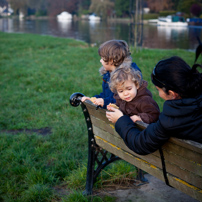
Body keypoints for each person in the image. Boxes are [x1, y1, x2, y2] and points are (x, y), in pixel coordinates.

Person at [106, 56, 202, 155]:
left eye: (158, 90)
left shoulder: (171, 121)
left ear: (172, 94)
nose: (158, 94)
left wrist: (120, 120)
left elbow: (141, 144)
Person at [81, 39, 141, 109]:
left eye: (102, 58)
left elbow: (123, 99)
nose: (100, 61)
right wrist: (93, 99)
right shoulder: (108, 74)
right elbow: (106, 95)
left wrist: (105, 102)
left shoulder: (125, 76)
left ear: (112, 60)